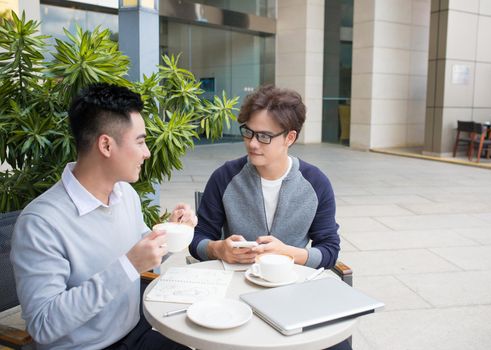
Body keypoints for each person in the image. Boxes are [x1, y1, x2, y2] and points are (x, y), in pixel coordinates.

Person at [10, 83, 196, 350]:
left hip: (136, 332)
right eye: (141, 141)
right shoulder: (40, 224)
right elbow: (43, 325)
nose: (147, 153)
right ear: (106, 145)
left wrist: (174, 232)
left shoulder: (125, 194)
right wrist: (128, 265)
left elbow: (144, 253)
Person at [189, 85, 340, 269]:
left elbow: (329, 251)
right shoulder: (225, 177)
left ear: (290, 138)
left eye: (264, 136)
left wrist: (287, 253)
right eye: (248, 132)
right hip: (233, 283)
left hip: (291, 283)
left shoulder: (316, 183)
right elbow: (197, 239)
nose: (252, 143)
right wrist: (218, 248)